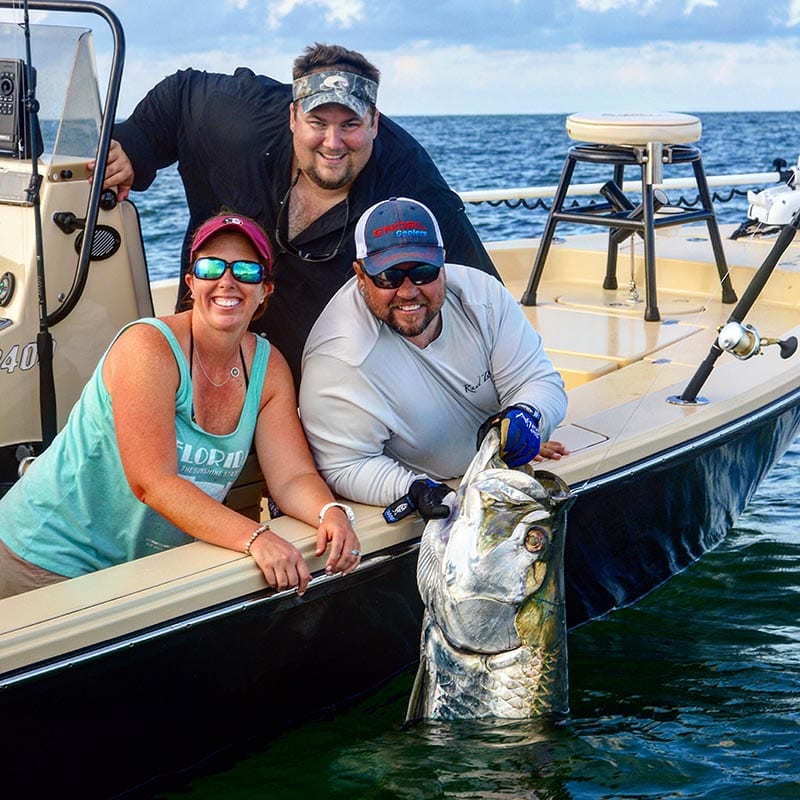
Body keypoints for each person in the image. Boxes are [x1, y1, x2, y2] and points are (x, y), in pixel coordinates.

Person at [94, 43, 500, 388]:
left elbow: (483, 296)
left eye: (351, 124)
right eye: (317, 123)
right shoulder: (239, 116)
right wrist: (133, 146)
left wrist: (510, 400)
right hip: (205, 349)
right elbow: (179, 96)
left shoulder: (410, 178)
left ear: (375, 122)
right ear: (292, 117)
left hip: (318, 383)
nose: (333, 142)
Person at [0, 213, 360, 600]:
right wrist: (254, 537)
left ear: (265, 290)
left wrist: (330, 513)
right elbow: (152, 482)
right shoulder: (148, 347)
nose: (227, 281)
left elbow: (291, 477)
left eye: (245, 270)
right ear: (191, 282)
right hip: (44, 554)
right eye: (210, 267)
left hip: (139, 571)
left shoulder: (268, 368)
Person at [298, 197, 569, 522]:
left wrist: (529, 419)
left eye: (424, 272)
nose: (408, 291)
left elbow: (539, 382)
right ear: (359, 274)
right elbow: (346, 465)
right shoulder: (338, 357)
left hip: (501, 480)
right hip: (437, 501)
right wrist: (416, 489)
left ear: (443, 263)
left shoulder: (483, 297)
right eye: (388, 277)